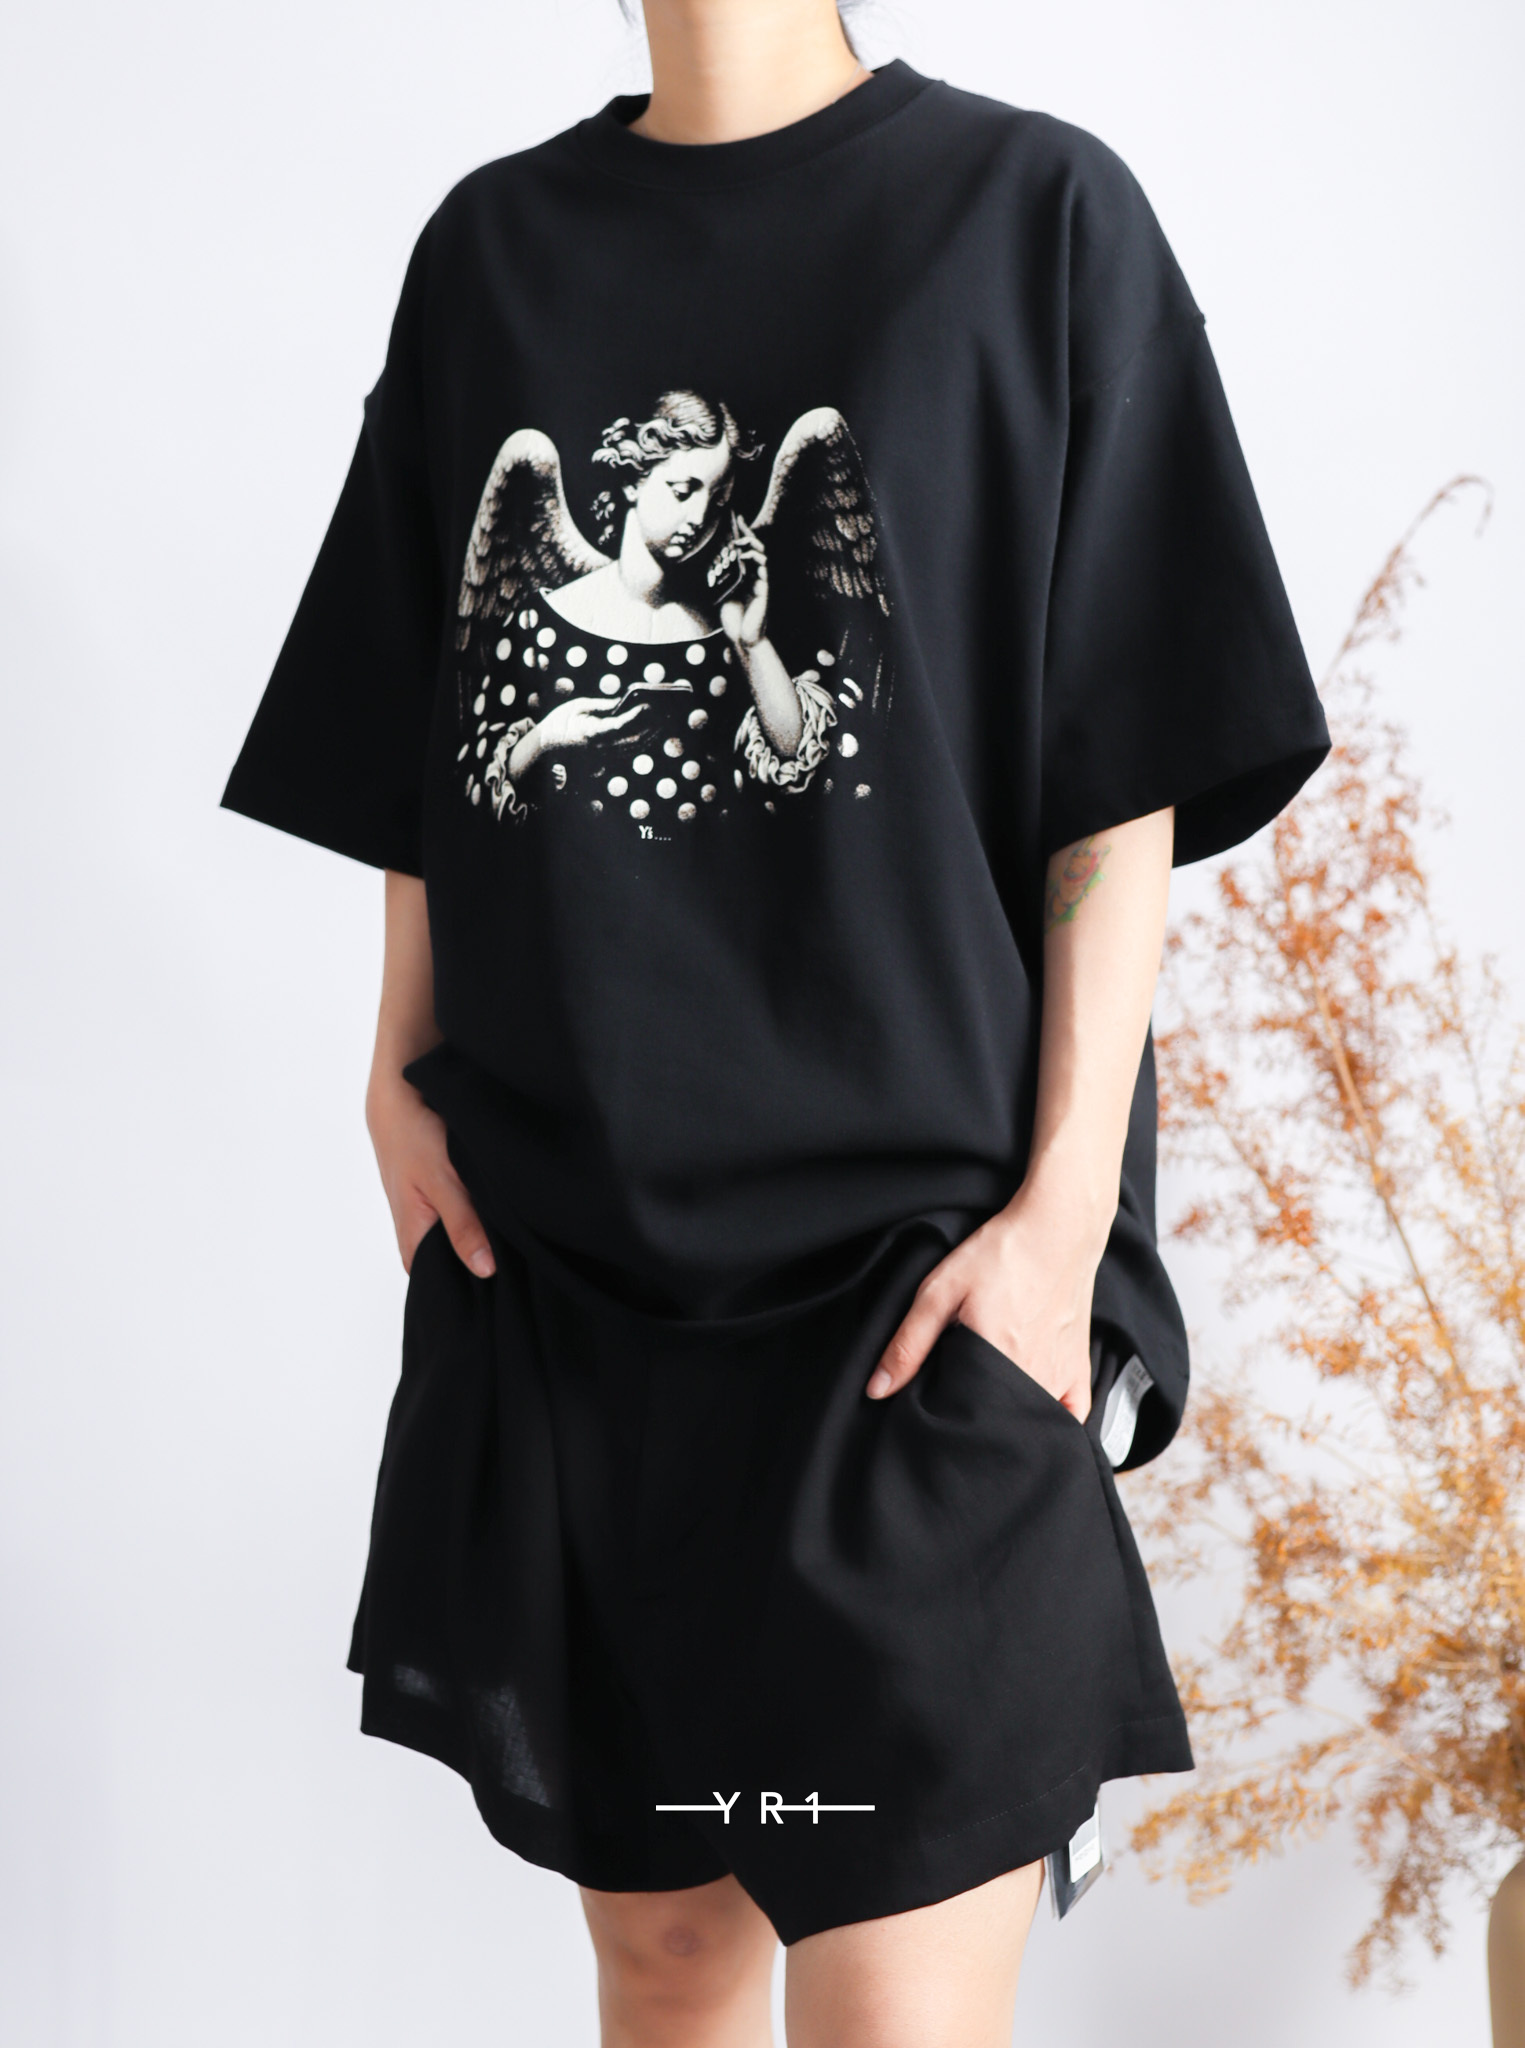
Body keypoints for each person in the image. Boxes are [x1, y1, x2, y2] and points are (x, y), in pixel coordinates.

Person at [220, 2, 1331, 2042]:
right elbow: (438, 713)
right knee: (663, 1962)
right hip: (575, 1267)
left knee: (895, 2004)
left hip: (917, 1277)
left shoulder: (1031, 214)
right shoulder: (494, 253)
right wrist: (392, 1063)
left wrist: (1063, 1217)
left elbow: (1124, 755)